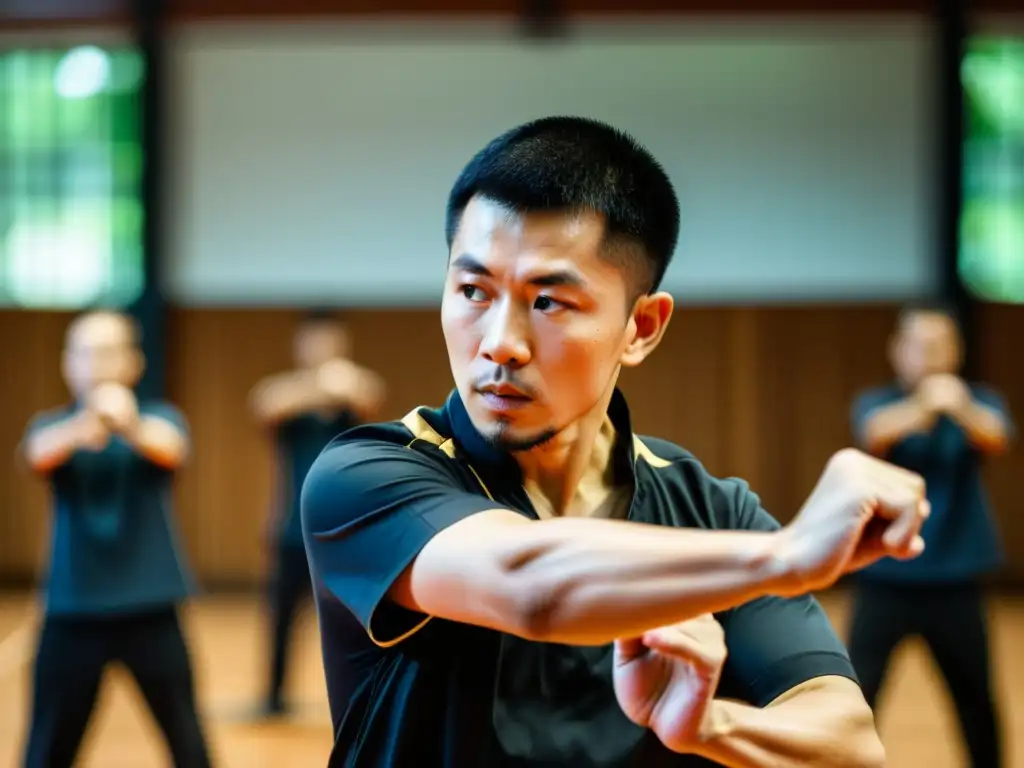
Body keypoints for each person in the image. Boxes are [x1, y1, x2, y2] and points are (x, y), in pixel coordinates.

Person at [301, 116, 929, 767]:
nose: (499, 343)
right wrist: (790, 554)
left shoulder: (711, 515)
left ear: (642, 327)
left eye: (548, 302)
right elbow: (531, 584)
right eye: (472, 291)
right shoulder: (367, 476)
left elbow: (851, 747)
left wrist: (710, 727)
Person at [19, 310, 212, 768]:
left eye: (107, 351)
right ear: (68, 363)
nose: (96, 364)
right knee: (46, 747)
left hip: (150, 609)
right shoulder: (51, 426)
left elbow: (171, 448)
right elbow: (37, 455)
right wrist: (86, 425)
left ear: (133, 362)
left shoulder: (158, 419)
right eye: (84, 352)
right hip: (72, 610)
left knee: (187, 741)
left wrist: (125, 424)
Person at [847, 304, 1012, 767]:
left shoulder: (979, 403)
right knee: (856, 694)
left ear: (957, 352)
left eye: (940, 345)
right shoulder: (878, 402)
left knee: (976, 698)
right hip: (884, 578)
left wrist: (955, 404)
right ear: (898, 351)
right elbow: (875, 433)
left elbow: (997, 437)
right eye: (919, 345)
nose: (929, 355)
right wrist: (926, 404)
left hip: (957, 581)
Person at [249, 312, 385, 718]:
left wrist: (338, 385)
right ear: (300, 346)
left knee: (356, 619)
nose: (321, 349)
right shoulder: (290, 397)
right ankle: (273, 699)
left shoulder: (351, 390)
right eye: (313, 342)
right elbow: (265, 404)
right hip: (292, 528)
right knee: (281, 620)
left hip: (345, 529)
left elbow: (370, 395)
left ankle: (363, 695)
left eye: (328, 341)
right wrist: (319, 386)